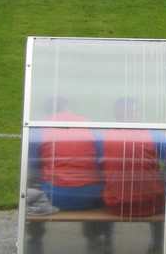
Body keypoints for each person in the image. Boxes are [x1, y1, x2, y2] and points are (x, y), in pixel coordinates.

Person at [27, 96, 106, 254]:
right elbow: (100, 159)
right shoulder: (87, 123)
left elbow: (34, 166)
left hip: (56, 195)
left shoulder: (41, 128)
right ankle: (94, 240)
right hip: (91, 197)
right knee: (100, 183)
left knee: (31, 187)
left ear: (48, 111)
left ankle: (35, 241)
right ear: (68, 107)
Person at [100, 97, 166, 254]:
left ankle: (106, 244)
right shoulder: (153, 134)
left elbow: (97, 165)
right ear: (137, 113)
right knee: (156, 190)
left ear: (116, 115)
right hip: (151, 204)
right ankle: (158, 244)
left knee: (102, 188)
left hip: (116, 205)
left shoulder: (105, 135)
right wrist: (160, 176)